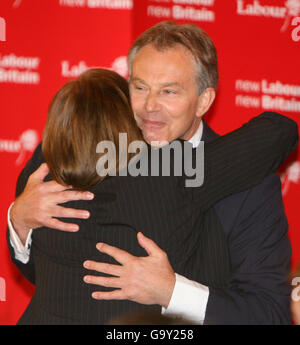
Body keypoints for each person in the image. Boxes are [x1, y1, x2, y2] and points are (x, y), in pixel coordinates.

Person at [7, 21, 297, 324]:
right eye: (140, 87)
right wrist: (19, 222)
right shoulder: (79, 146)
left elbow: (269, 314)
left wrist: (173, 292)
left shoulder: (249, 181)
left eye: (169, 91)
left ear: (204, 101)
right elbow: (54, 270)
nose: (149, 107)